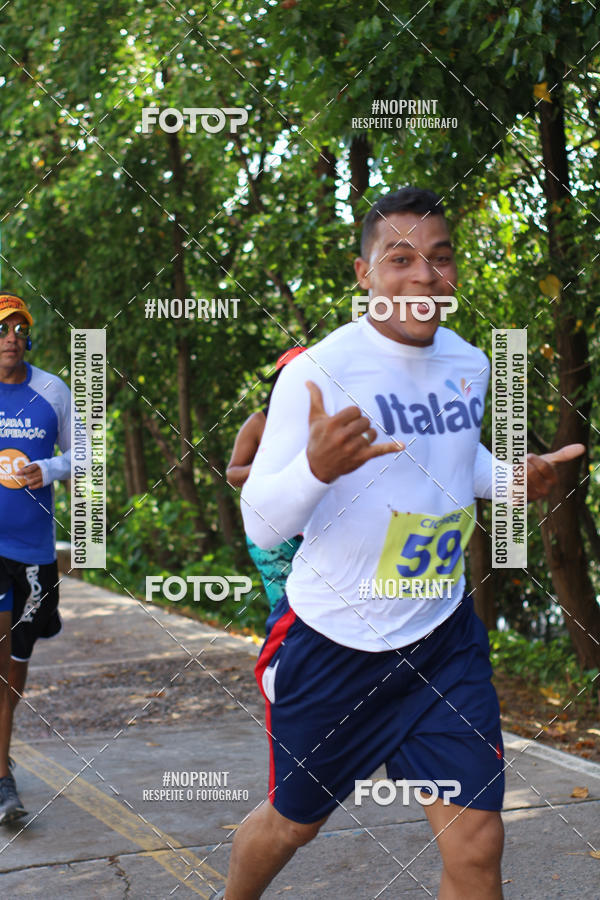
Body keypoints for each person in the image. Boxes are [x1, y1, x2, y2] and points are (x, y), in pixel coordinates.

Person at [220, 187, 584, 899]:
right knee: (293, 826)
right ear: (365, 275)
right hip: (332, 647)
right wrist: (316, 468)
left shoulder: (469, 363)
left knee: (478, 846)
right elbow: (261, 523)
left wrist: (515, 479)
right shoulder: (317, 375)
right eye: (401, 259)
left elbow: (456, 460)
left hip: (441, 643)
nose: (424, 276)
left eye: (440, 259)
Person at [0, 291, 71, 823]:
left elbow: (85, 454)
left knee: (15, 667)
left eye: (20, 330)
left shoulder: (53, 390)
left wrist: (46, 470)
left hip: (34, 553)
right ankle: (2, 778)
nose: (12, 339)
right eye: (3, 330)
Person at [226, 348, 306, 613]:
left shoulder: (325, 420)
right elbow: (232, 474)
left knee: (321, 611)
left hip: (319, 529)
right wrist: (270, 462)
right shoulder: (259, 422)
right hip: (273, 529)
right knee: (285, 608)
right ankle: (281, 655)